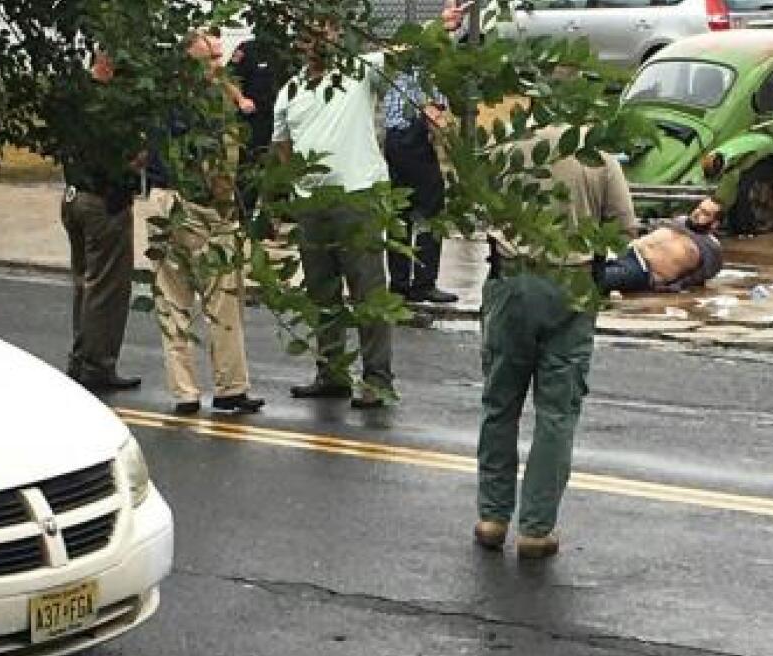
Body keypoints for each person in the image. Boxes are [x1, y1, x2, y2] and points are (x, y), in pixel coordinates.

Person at [273, 7, 468, 407]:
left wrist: (438, 26)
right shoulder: (289, 90)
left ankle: (377, 378)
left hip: (356, 195)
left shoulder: (357, 72)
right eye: (309, 37)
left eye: (323, 34)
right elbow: (282, 144)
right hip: (312, 201)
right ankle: (331, 372)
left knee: (367, 293)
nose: (316, 43)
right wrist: (295, 185)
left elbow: (405, 51)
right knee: (321, 292)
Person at [474, 126, 637, 559]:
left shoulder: (506, 148)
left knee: (499, 403)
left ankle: (492, 517)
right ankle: (536, 527)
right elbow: (623, 230)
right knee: (556, 412)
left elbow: (480, 215)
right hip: (573, 285)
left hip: (512, 280)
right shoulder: (599, 156)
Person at [146, 30, 264, 416]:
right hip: (197, 206)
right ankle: (230, 388)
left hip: (162, 199)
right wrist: (225, 209)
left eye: (219, 56)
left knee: (172, 300)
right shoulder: (206, 106)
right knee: (222, 295)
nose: (218, 65)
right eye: (210, 58)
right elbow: (213, 168)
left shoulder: (163, 97)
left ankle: (184, 392)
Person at [55, 51, 144, 392]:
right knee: (107, 287)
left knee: (85, 283)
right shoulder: (107, 106)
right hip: (104, 201)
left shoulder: (75, 98)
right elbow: (119, 160)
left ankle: (80, 358)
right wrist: (136, 163)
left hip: (74, 196)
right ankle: (98, 364)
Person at [382, 70, 459, 304]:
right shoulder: (426, 73)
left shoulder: (393, 72)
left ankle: (399, 283)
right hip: (415, 141)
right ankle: (424, 283)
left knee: (400, 212)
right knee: (431, 212)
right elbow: (434, 114)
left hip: (393, 142)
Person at [228, 37, 287, 236]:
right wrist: (241, 99)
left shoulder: (287, 49)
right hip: (255, 119)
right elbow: (228, 77)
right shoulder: (248, 48)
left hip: (282, 119)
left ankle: (271, 220)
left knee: (280, 169)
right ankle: (245, 220)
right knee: (250, 168)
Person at [601, 197, 723, 293]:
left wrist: (675, 286)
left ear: (714, 224)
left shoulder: (711, 248)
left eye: (705, 213)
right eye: (699, 208)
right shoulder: (680, 221)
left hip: (642, 270)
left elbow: (700, 276)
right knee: (586, 263)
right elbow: (651, 226)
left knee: (595, 280)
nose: (697, 213)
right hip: (627, 249)